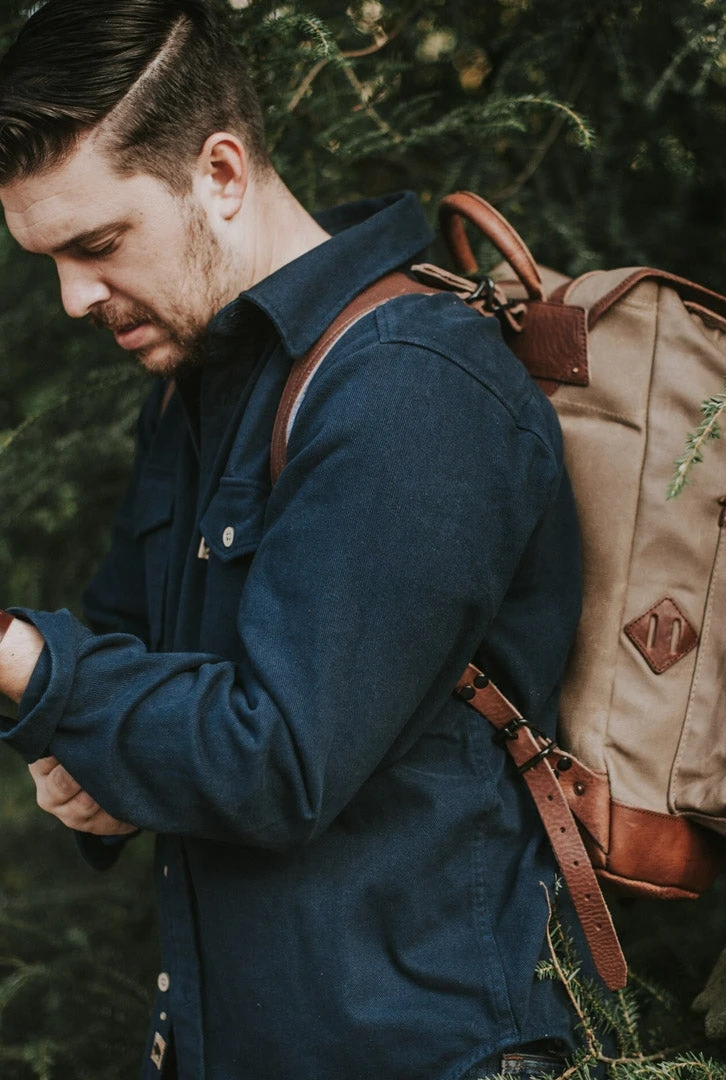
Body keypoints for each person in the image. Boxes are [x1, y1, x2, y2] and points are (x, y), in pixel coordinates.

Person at [0, 2, 586, 1077]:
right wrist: (85, 763)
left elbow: (275, 763)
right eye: (49, 258)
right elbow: (129, 657)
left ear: (221, 173)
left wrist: (27, 666)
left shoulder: (413, 387)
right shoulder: (193, 389)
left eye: (96, 244)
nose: (75, 295)